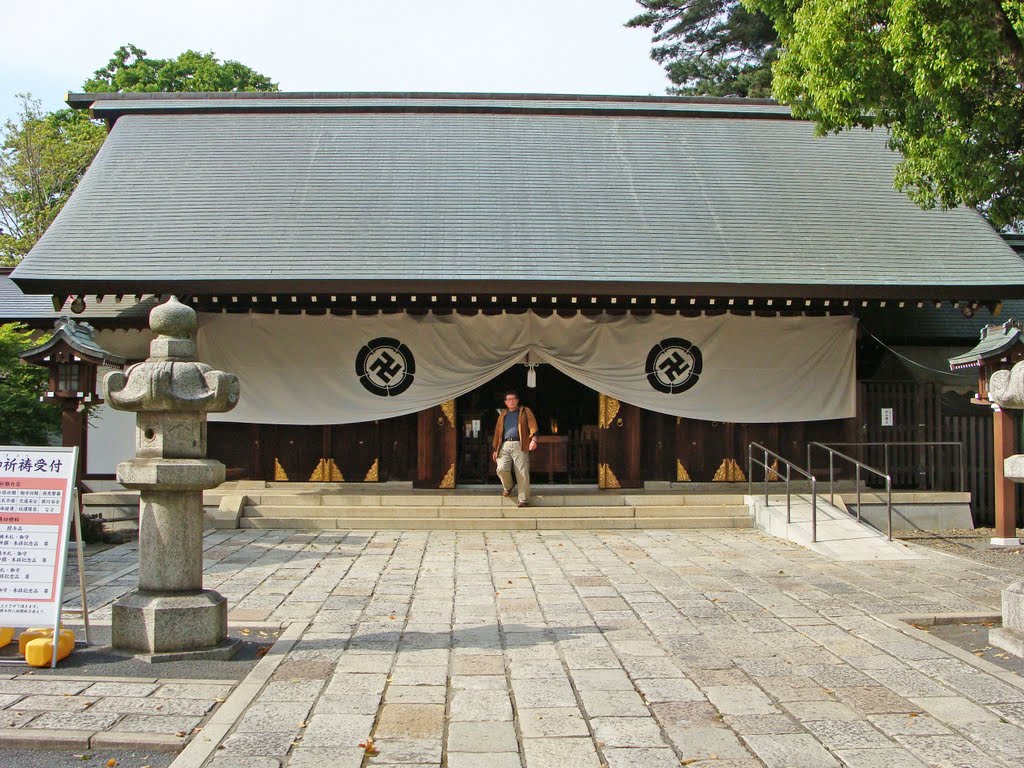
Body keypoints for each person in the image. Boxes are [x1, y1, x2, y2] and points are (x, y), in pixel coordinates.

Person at [491, 389, 538, 507]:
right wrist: (496, 448)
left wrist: (533, 439)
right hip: (504, 445)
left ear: (517, 400)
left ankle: (523, 499)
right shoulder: (503, 414)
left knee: (522, 472)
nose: (511, 401)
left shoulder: (525, 411)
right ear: (505, 402)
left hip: (520, 444)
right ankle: (508, 486)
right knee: (501, 468)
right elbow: (498, 432)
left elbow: (532, 425)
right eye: (509, 399)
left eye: (513, 399)